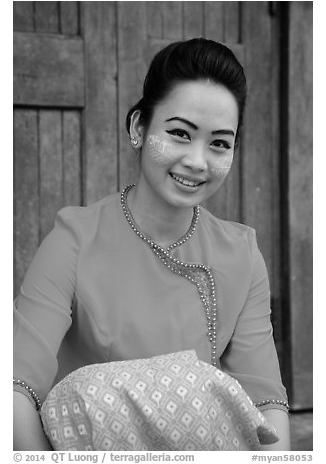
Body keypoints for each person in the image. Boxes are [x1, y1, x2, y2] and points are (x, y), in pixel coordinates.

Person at [13, 38, 290, 450]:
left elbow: (267, 406)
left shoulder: (242, 255)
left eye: (219, 142)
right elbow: (14, 389)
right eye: (180, 133)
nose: (198, 161)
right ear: (138, 128)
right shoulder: (74, 240)